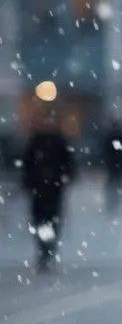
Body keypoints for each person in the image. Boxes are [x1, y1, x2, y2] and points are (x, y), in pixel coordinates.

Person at [22, 110, 76, 272]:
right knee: (42, 220)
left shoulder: (57, 142)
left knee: (50, 220)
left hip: (52, 189)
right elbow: (27, 165)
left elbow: (68, 164)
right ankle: (45, 251)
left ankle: (47, 250)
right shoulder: (37, 142)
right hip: (42, 189)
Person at [99, 117, 122, 213]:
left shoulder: (110, 137)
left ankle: (114, 201)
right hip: (120, 164)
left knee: (114, 183)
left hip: (114, 164)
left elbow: (106, 152)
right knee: (121, 182)